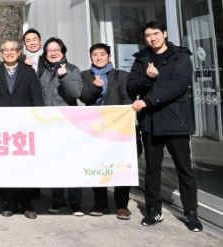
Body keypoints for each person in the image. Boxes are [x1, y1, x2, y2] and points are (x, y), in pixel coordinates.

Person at [127, 21, 202, 232]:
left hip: (176, 121)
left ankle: (191, 213)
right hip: (150, 123)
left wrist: (148, 101)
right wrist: (147, 78)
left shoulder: (180, 57)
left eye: (156, 33)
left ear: (165, 34)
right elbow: (131, 87)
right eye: (148, 35)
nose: (153, 38)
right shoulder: (141, 59)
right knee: (152, 169)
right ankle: (153, 210)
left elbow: (177, 86)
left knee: (184, 169)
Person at [80, 43, 134, 220]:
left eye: (102, 54)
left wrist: (125, 120)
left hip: (118, 127)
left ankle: (122, 205)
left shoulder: (121, 75)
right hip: (95, 128)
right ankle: (100, 203)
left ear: (109, 56)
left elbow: (127, 100)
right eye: (95, 55)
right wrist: (95, 87)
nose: (98, 57)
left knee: (121, 165)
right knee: (98, 165)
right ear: (91, 57)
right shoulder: (85, 75)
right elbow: (84, 97)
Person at [0, 40, 42, 219]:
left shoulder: (29, 72)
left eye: (13, 50)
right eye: (6, 50)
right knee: (7, 165)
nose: (9, 53)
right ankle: (10, 202)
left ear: (19, 52)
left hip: (25, 126)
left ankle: (27, 203)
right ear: (1, 53)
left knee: (26, 165)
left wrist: (38, 122)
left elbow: (36, 97)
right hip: (3, 127)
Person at [38, 37, 83, 216]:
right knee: (54, 163)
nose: (53, 53)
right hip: (48, 125)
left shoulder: (72, 69)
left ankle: (75, 203)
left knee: (72, 163)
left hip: (68, 124)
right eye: (49, 50)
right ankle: (58, 200)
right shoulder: (42, 71)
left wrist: (63, 77)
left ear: (63, 51)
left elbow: (76, 93)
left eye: (56, 50)